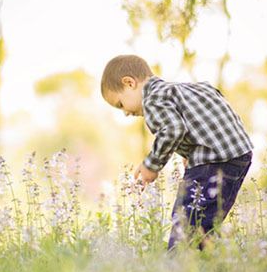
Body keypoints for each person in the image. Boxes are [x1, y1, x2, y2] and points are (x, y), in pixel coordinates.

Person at [101, 54, 253, 249]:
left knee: (185, 224)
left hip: (214, 159)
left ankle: (178, 266)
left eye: (120, 104)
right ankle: (217, 262)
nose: (125, 113)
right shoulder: (181, 89)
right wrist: (191, 154)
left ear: (129, 83)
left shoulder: (152, 99)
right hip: (238, 153)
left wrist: (151, 165)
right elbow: (203, 113)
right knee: (205, 222)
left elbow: (172, 129)